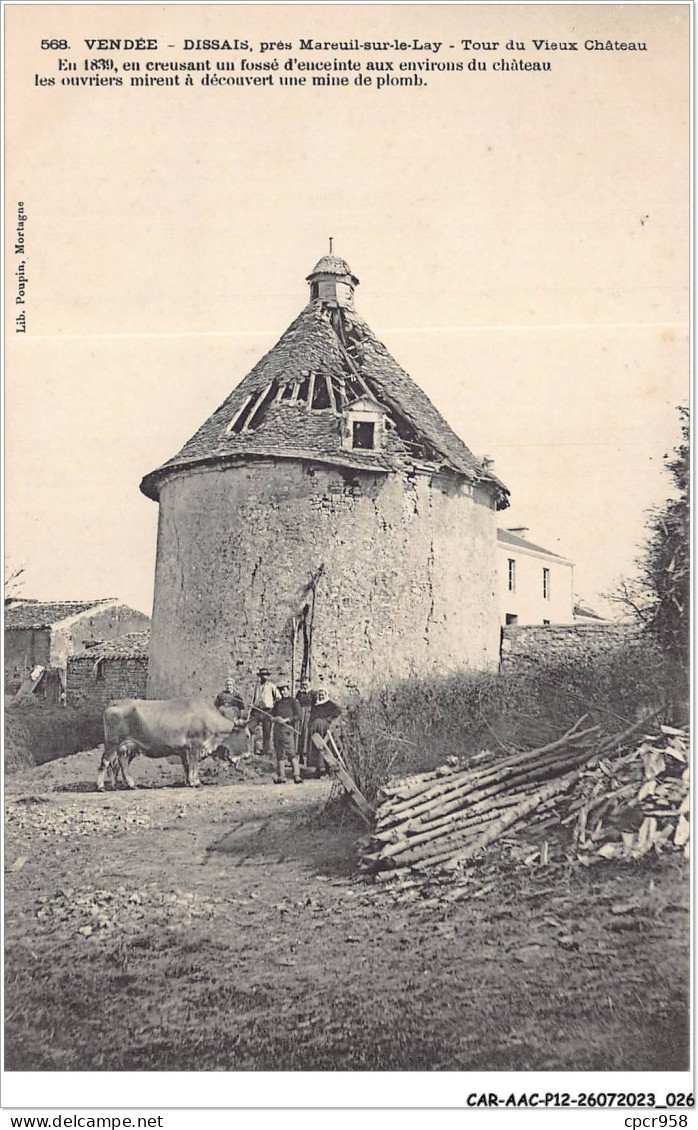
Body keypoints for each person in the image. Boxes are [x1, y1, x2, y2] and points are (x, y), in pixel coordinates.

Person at [272, 683, 303, 784]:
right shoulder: (277, 703)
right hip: (277, 730)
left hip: (288, 730)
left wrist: (286, 720)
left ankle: (296, 775)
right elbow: (271, 715)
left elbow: (298, 716)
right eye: (281, 690)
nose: (283, 692)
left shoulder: (293, 702)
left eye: (285, 690)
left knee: (291, 752)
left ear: (289, 690)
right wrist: (274, 719)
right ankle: (282, 776)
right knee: (280, 753)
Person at [308, 688, 342, 778]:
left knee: (326, 747)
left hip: (325, 729)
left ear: (326, 695)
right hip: (315, 730)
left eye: (323, 694)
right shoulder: (315, 705)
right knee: (316, 748)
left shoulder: (331, 705)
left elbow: (338, 712)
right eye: (320, 695)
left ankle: (328, 769)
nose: (321, 696)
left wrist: (329, 720)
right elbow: (311, 717)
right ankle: (318, 769)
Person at [250, 667, 280, 757]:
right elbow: (254, 698)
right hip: (257, 710)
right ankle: (254, 749)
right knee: (250, 727)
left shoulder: (272, 686)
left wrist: (273, 706)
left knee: (267, 731)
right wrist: (253, 706)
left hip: (268, 711)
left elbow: (278, 697)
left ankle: (266, 751)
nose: (264, 677)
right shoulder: (257, 686)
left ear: (268, 676)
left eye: (265, 675)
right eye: (262, 675)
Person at [295, 677, 314, 765]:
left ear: (309, 684)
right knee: (299, 734)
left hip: (308, 715)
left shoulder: (312, 693)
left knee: (306, 734)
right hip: (300, 714)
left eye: (306, 684)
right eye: (303, 684)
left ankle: (306, 757)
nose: (304, 686)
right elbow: (296, 703)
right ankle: (299, 756)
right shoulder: (299, 693)